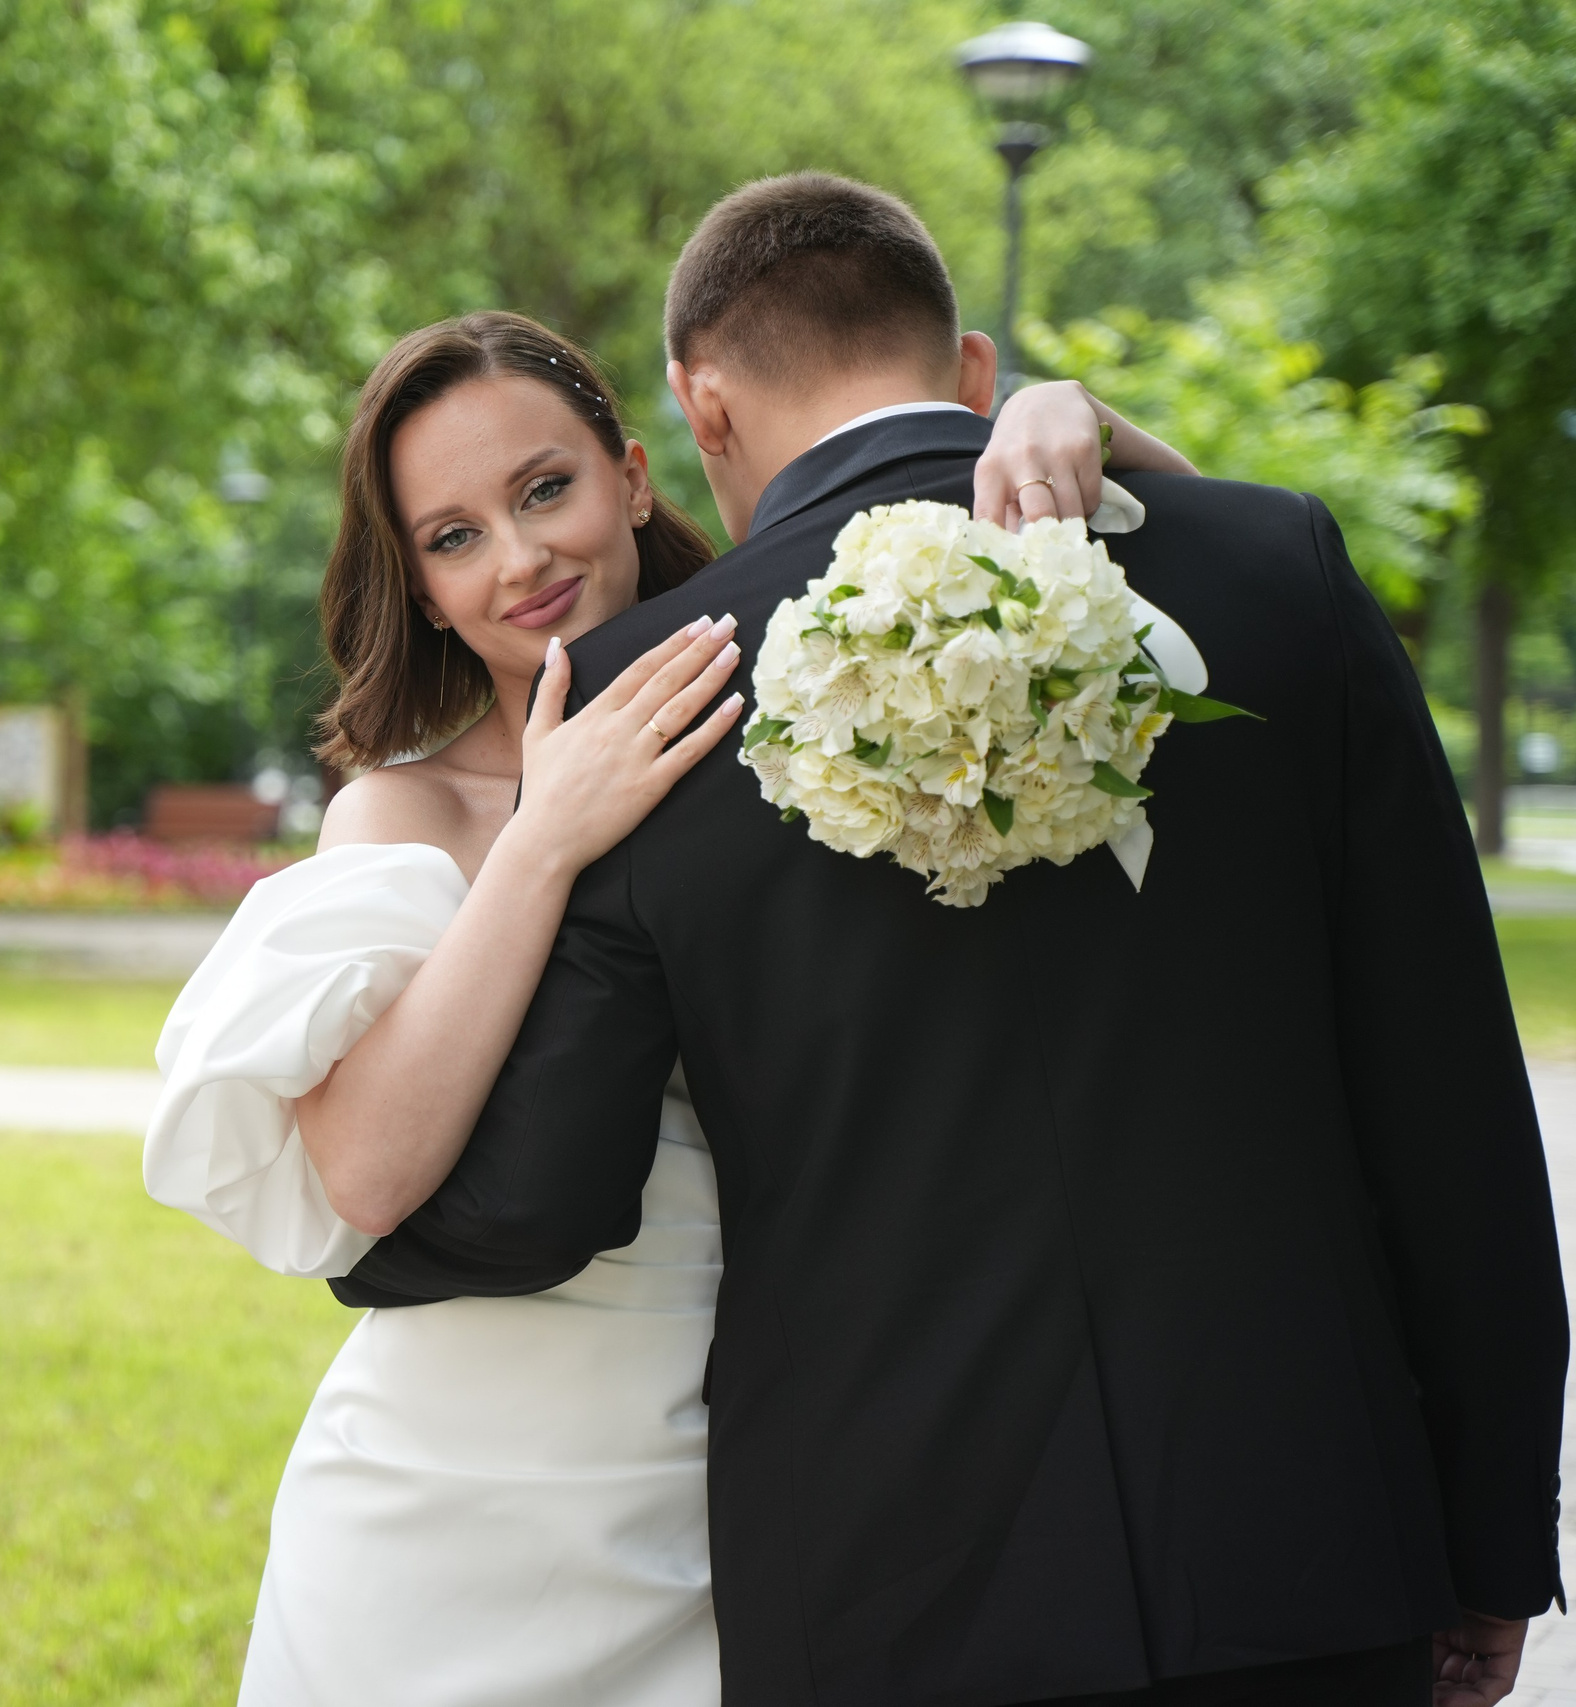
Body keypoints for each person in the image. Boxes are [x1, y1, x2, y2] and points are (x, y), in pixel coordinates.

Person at [339, 175, 1569, 1707]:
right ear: (972, 367)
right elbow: (1451, 1103)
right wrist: (1493, 1536)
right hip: (1303, 1549)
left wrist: (353, 1228)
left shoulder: (637, 699)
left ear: (699, 408)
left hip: (892, 1596)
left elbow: (543, 1200)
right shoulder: (1276, 570)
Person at [146, 308, 1194, 1705]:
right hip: (447, 1513)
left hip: (747, 1496)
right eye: (453, 537)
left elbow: (1211, 575)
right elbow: (368, 1173)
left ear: (634, 477)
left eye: (544, 490)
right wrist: (543, 836)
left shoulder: (820, 707)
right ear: (424, 589)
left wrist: (1077, 419)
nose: (518, 559)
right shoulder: (407, 813)